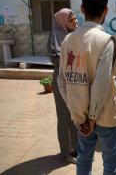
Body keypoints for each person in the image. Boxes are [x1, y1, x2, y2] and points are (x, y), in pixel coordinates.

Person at [58, 0, 116, 175]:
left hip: (81, 115)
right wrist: (92, 118)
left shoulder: (68, 40)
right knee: (111, 163)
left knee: (84, 159)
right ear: (106, 10)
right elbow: (102, 84)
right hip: (105, 114)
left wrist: (78, 114)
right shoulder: (105, 41)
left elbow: (62, 81)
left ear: (82, 9)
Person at [47, 8, 79, 164]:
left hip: (74, 79)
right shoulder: (56, 37)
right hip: (62, 80)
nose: (75, 21)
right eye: (71, 19)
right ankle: (67, 151)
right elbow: (55, 59)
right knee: (64, 115)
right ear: (62, 22)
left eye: (75, 18)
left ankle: (76, 147)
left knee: (75, 113)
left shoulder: (73, 36)